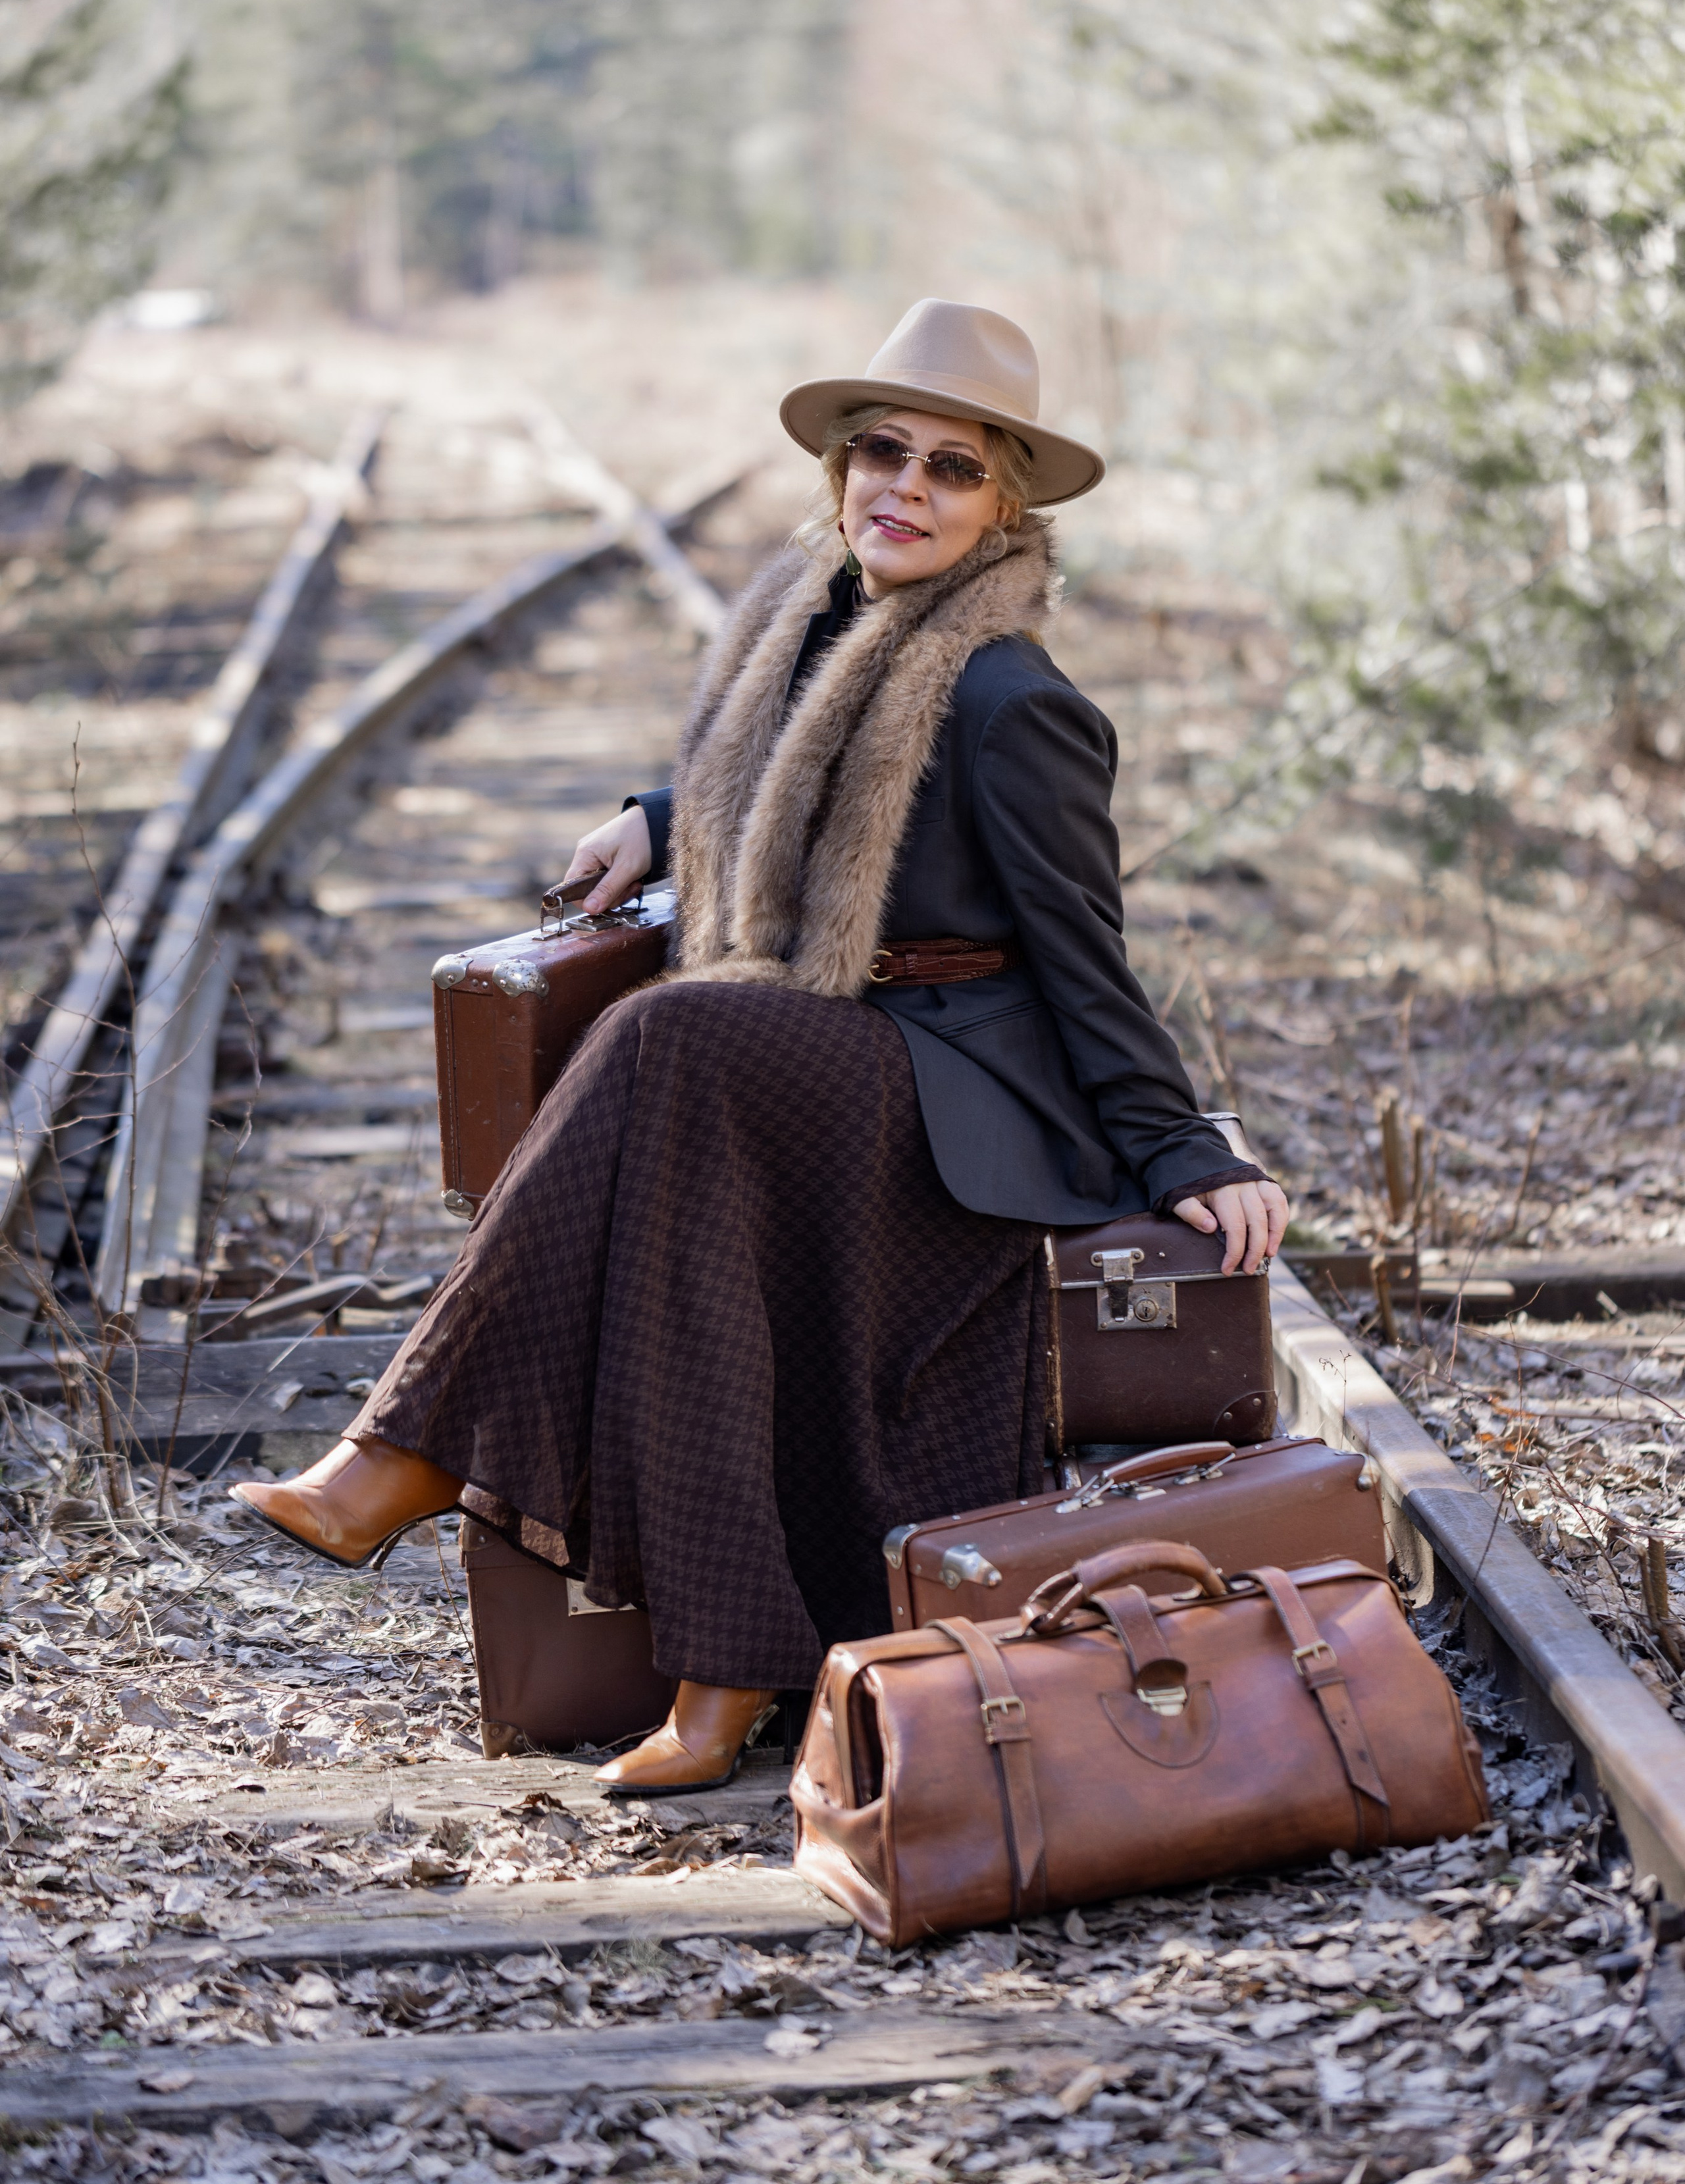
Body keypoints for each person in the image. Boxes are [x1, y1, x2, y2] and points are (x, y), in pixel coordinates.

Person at [231, 299, 1290, 1794]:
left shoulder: (1006, 694)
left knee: (670, 1030)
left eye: (951, 468)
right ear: (838, 470)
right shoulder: (810, 628)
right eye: (880, 453)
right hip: (816, 1051)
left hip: (943, 1091)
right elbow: (788, 772)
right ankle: (721, 1673)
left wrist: (1185, 1149)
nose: (903, 489)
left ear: (1004, 506)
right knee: (677, 1208)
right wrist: (658, 820)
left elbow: (1082, 954)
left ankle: (405, 1453)